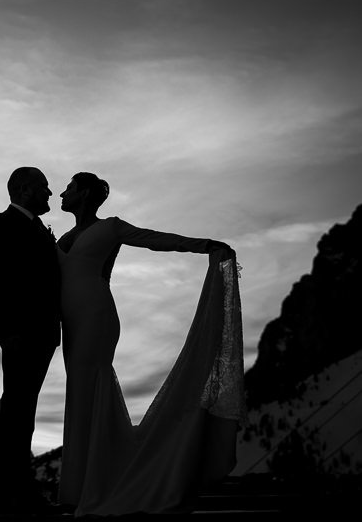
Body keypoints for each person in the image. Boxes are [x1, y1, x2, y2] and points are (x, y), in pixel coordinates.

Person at [55, 172, 246, 517]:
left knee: (91, 389)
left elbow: (155, 239)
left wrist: (205, 245)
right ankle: (80, 485)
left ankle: (97, 484)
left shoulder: (110, 227)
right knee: (78, 392)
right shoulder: (63, 237)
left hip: (96, 317)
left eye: (68, 188)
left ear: (83, 193)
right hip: (71, 324)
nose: (61, 194)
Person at [0, 166, 62, 513]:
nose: (49, 194)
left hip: (43, 334)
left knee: (24, 411)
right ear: (24, 189)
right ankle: (10, 491)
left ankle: (19, 488)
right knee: (16, 411)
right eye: (43, 188)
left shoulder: (38, 229)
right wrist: (8, 330)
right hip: (20, 334)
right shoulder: (2, 223)